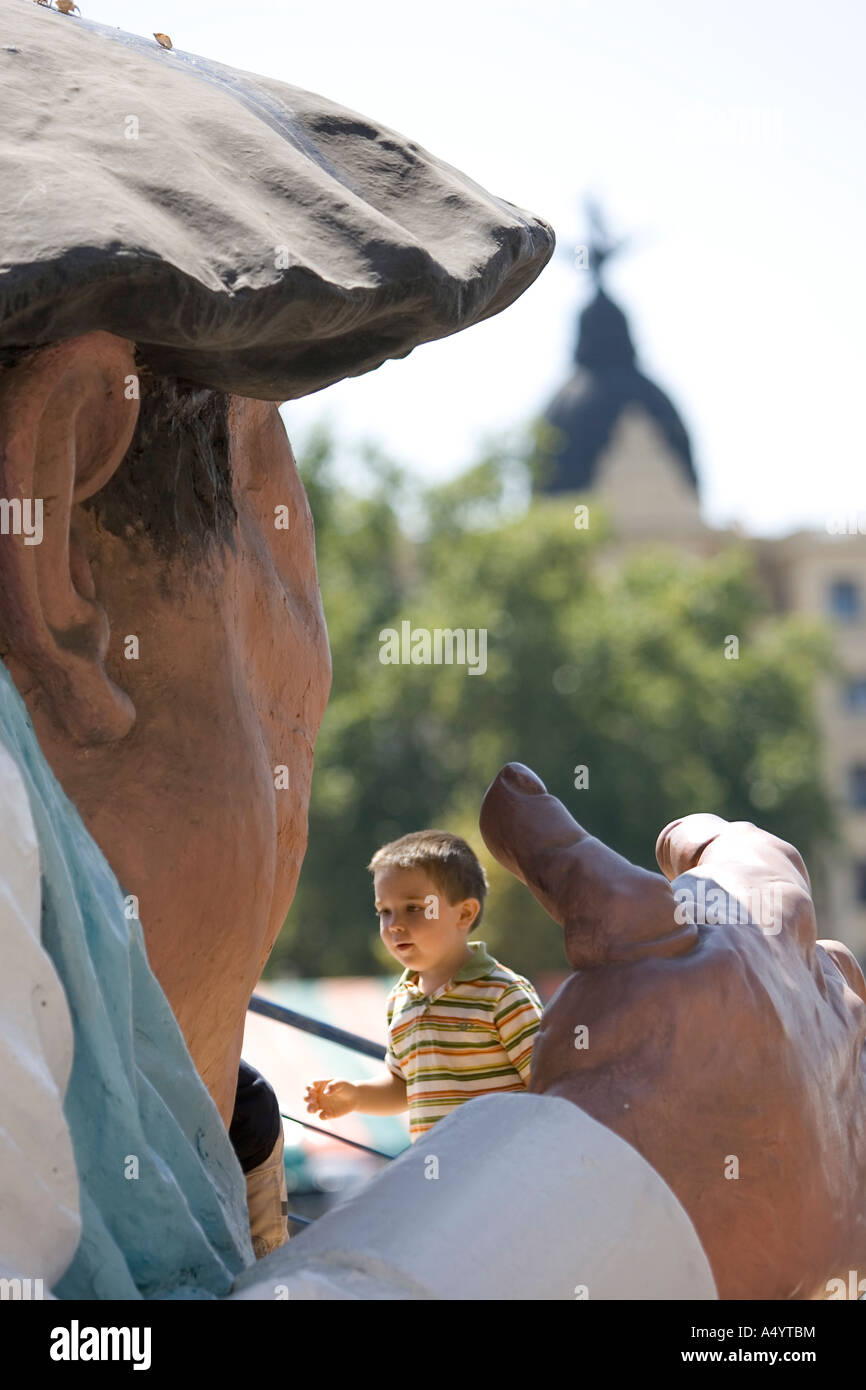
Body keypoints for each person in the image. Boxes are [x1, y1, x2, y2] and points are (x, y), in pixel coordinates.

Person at [305, 831, 542, 1140]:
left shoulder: (502, 994)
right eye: (384, 911)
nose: (394, 925)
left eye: (413, 908)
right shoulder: (400, 1000)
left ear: (465, 913)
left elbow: (548, 1086)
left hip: (504, 1175)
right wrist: (357, 1096)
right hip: (438, 1176)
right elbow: (403, 1086)